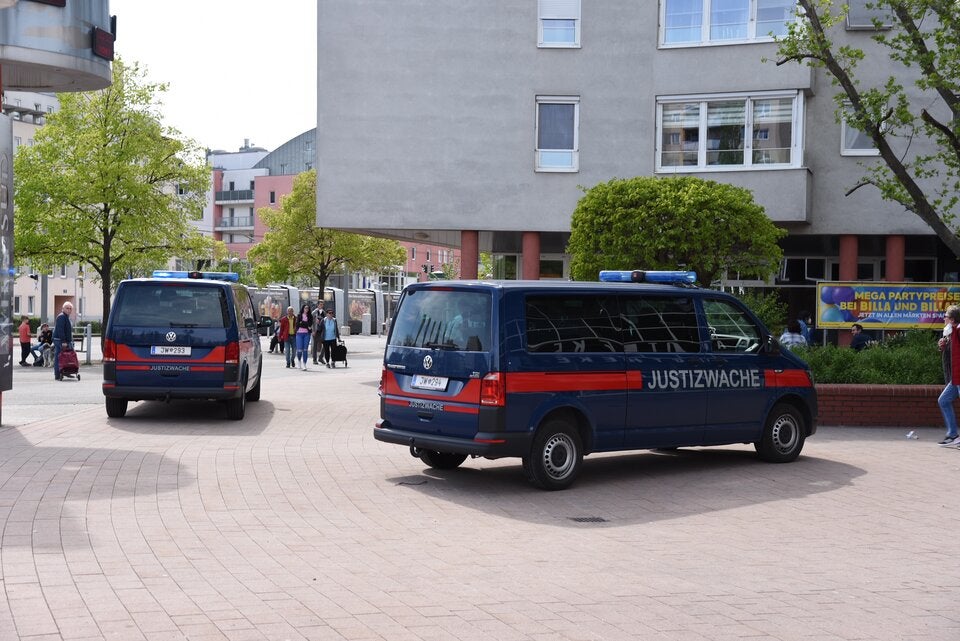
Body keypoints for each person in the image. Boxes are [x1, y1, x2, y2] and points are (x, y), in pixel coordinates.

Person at [939, 306, 960, 446]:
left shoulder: (958, 331)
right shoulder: (952, 332)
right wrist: (943, 346)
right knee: (943, 400)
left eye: (946, 316)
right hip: (956, 376)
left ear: (952, 319)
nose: (944, 318)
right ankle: (953, 434)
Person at [52, 301, 73, 380]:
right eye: (67, 308)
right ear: (63, 309)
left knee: (65, 356)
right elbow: (61, 330)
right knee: (60, 357)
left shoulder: (65, 316)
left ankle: (65, 372)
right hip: (60, 340)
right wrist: (64, 341)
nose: (69, 310)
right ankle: (58, 374)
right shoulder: (61, 316)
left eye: (70, 308)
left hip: (63, 340)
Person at [295, 303, 313, 370]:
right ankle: (299, 361)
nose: (306, 309)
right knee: (299, 350)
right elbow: (298, 324)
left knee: (305, 349)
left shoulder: (310, 316)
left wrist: (302, 323)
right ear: (303, 308)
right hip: (299, 334)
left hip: (307, 334)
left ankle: (305, 364)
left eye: (307, 308)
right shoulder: (299, 315)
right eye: (305, 308)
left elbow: (310, 325)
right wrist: (306, 325)